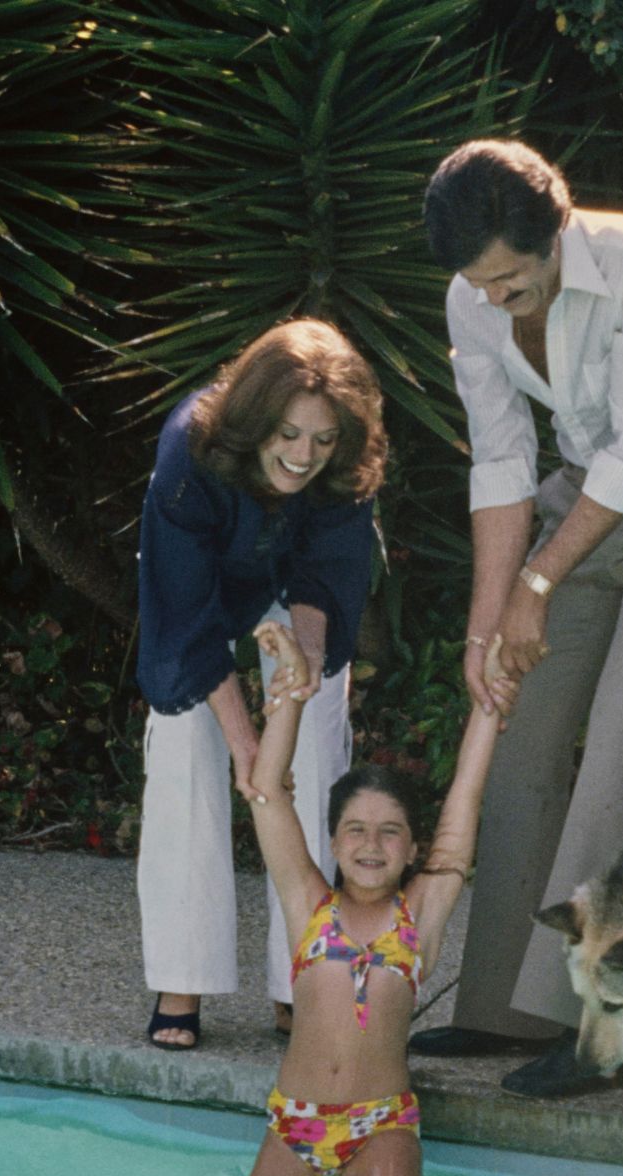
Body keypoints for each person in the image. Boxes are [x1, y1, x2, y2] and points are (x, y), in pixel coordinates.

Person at [411, 138, 623, 1096]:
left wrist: (537, 585)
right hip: (577, 516)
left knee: (618, 741)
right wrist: (492, 620)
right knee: (518, 731)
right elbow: (501, 462)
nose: (490, 299)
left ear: (554, 234)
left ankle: (597, 1037)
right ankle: (499, 1011)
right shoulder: (470, 302)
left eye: (508, 281)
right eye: (476, 285)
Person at [136, 320, 386, 1051]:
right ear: (255, 421)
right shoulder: (192, 447)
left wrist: (300, 669)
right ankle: (182, 975)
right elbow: (185, 609)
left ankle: (299, 979)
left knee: (314, 738)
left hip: (291, 590)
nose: (305, 456)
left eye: (323, 440)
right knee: (186, 740)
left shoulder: (348, 462)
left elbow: (326, 579)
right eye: (289, 435)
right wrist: (246, 744)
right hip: (204, 593)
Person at [231, 620, 516, 1176]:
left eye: (391, 832)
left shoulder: (420, 914)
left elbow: (464, 804)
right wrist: (292, 698)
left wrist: (486, 706)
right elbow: (267, 794)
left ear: (415, 849)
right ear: (332, 843)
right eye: (355, 830)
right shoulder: (310, 906)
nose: (371, 844)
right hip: (294, 1122)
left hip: (378, 1125)